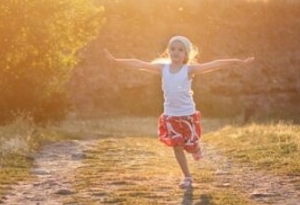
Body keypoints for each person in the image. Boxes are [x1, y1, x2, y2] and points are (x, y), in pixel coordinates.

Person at [104, 36, 254, 189]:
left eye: (180, 50)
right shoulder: (162, 68)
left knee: (191, 145)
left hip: (188, 115)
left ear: (186, 54)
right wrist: (116, 61)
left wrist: (238, 62)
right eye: (173, 49)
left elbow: (215, 64)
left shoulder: (189, 70)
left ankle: (196, 148)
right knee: (177, 146)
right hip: (171, 116)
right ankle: (187, 177)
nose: (176, 52)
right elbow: (138, 64)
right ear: (168, 51)